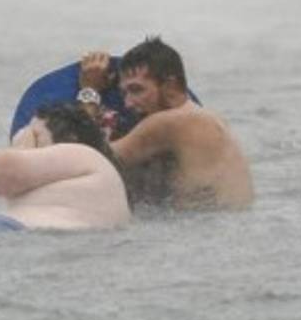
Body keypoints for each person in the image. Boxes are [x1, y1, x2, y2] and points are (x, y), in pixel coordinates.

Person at [78, 38, 254, 211]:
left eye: (137, 90)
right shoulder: (209, 118)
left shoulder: (169, 123)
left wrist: (89, 91)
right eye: (124, 93)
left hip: (198, 224)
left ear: (170, 85)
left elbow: (89, 157)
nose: (127, 104)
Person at [0, 101, 131, 231]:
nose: (27, 138)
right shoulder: (95, 174)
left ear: (70, 138)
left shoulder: (81, 154)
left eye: (35, 135)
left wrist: (22, 148)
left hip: (8, 229)